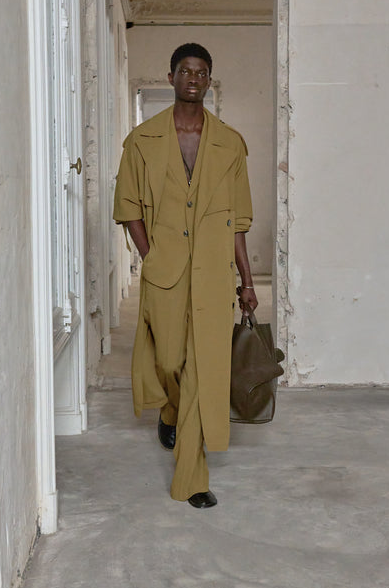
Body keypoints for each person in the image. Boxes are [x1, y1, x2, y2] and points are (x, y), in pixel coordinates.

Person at [113, 43, 257, 508]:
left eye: (201, 72)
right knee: (169, 360)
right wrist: (151, 256)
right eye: (185, 71)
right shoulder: (142, 141)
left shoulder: (230, 144)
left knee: (204, 369)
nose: (193, 78)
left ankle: (191, 477)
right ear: (171, 76)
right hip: (166, 273)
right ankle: (170, 408)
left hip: (214, 275)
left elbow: (237, 221)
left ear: (209, 80)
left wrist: (247, 281)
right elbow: (129, 208)